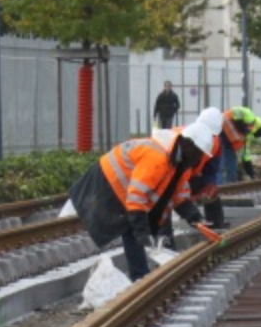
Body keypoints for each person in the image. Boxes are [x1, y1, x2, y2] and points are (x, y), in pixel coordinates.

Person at [68, 112, 216, 282]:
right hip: (107, 183)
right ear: (189, 145)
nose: (199, 159)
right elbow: (136, 197)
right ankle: (139, 277)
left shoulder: (179, 162)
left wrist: (195, 218)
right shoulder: (158, 158)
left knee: (135, 228)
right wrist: (142, 231)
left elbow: (179, 196)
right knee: (132, 228)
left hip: (124, 187)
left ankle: (140, 275)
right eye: (198, 153)